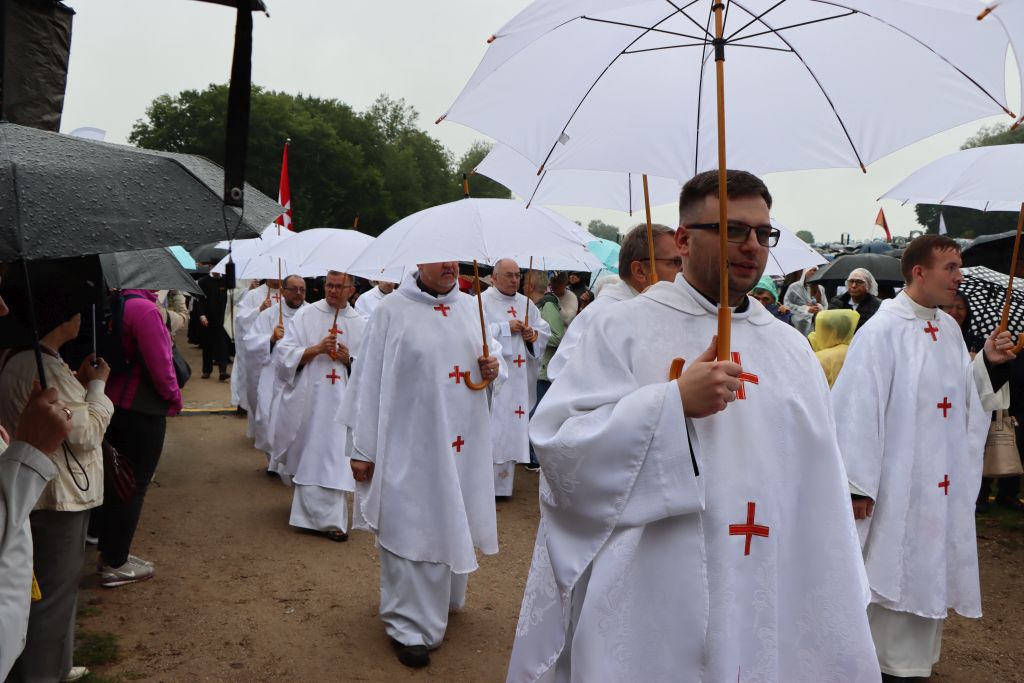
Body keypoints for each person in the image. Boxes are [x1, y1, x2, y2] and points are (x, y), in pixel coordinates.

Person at [507, 170, 879, 682]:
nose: (752, 246)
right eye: (733, 230)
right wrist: (671, 404)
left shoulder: (791, 349)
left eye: (763, 233)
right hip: (655, 583)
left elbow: (818, 479)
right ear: (683, 240)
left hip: (765, 568)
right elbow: (560, 446)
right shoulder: (621, 327)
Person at [831, 234, 1014, 682]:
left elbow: (963, 395)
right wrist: (855, 485)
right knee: (889, 568)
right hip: (896, 482)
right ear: (919, 271)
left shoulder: (947, 328)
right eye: (950, 268)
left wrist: (987, 362)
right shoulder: (881, 331)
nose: (958, 277)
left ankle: (913, 666)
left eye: (959, 268)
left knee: (927, 568)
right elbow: (856, 410)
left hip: (939, 482)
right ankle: (876, 666)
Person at [338, 262, 503, 669]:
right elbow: (367, 382)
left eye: (454, 259)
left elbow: (488, 358)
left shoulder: (471, 308)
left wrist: (492, 368)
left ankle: (443, 600)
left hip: (460, 443)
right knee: (409, 525)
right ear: (419, 262)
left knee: (451, 517)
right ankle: (407, 625)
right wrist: (362, 448)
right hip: (408, 444)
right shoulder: (391, 311)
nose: (450, 266)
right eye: (440, 259)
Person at [0, 289, 113, 683]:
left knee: (56, 594)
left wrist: (78, 382)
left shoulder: (29, 358)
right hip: (58, 496)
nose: (81, 318)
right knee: (50, 599)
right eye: (76, 311)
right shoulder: (38, 364)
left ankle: (57, 665)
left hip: (48, 490)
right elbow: (85, 432)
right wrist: (97, 387)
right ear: (60, 316)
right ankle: (42, 672)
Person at [95, 289, 183, 587]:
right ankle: (116, 562)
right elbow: (161, 365)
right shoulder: (144, 310)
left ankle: (109, 552)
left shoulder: (116, 303)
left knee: (116, 480)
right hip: (142, 408)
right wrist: (174, 398)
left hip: (113, 402)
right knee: (134, 485)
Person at [269, 272, 365, 541]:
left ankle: (331, 520)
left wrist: (349, 360)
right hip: (309, 399)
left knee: (335, 457)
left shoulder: (361, 324)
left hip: (342, 404)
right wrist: (316, 349)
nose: (332, 291)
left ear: (351, 290)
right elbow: (284, 355)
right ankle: (308, 515)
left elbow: (370, 368)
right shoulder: (306, 315)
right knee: (310, 451)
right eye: (329, 285)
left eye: (339, 286)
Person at [547, 223, 681, 381]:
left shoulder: (662, 309)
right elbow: (562, 374)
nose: (682, 270)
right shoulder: (601, 314)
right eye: (675, 262)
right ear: (639, 271)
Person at [482, 259, 550, 497]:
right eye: (508, 275)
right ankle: (485, 485)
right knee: (494, 426)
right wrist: (503, 327)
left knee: (511, 427)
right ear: (494, 277)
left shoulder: (527, 303)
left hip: (520, 379)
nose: (514, 280)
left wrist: (533, 335)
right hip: (494, 377)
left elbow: (544, 331)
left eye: (517, 275)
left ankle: (503, 486)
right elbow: (474, 333)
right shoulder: (480, 301)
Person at [241, 275, 307, 460]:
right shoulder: (269, 315)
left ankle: (294, 461)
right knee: (268, 415)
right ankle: (273, 460)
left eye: (302, 290)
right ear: (283, 291)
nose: (298, 293)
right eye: (293, 289)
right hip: (274, 372)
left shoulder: (311, 313)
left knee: (297, 418)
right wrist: (270, 338)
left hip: (301, 374)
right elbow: (250, 342)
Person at [523, 270, 564, 471]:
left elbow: (557, 336)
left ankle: (535, 459)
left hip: (543, 369)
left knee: (535, 415)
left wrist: (535, 335)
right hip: (535, 368)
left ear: (530, 286)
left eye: (523, 281)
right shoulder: (536, 305)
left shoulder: (547, 306)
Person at [194, 272, 232, 381]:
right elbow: (199, 300)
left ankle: (222, 371)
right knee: (207, 346)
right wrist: (202, 315)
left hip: (222, 319)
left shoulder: (226, 280)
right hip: (207, 319)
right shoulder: (203, 281)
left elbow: (234, 295)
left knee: (222, 346)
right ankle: (207, 370)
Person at [809, 309, 860, 387]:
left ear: (833, 332)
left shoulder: (820, 358)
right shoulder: (857, 351)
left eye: (820, 329)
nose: (816, 333)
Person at [783, 266, 827, 336]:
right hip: (798, 327)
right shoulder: (794, 287)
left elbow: (825, 306)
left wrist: (819, 307)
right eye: (811, 270)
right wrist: (806, 309)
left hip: (817, 326)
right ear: (805, 272)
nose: (813, 272)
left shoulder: (820, 288)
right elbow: (787, 304)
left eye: (815, 270)